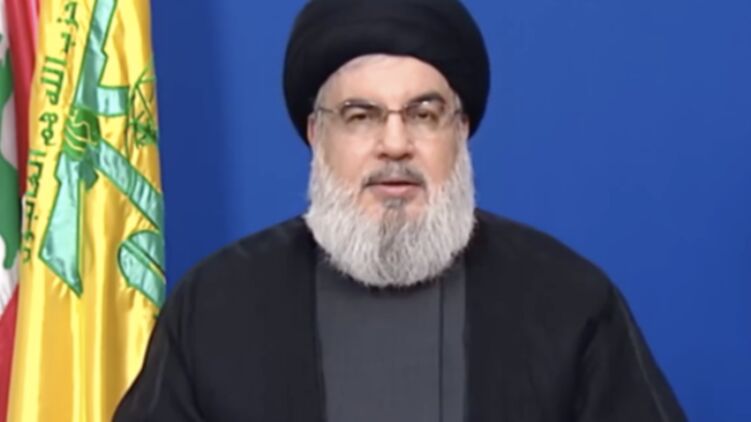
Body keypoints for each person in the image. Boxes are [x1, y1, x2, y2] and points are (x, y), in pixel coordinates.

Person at [115, 0, 686, 420]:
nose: (394, 144)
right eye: (360, 116)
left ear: (460, 131)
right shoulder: (217, 307)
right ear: (316, 134)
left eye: (423, 114)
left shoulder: (568, 302)